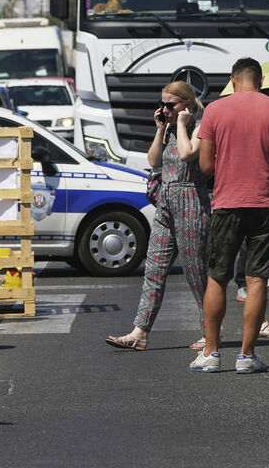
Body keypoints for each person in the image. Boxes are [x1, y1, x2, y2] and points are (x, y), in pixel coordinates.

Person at [191, 57, 269, 374]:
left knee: (218, 276)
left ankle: (211, 353)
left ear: (232, 80)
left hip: (227, 202)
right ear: (262, 81)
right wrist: (267, 165)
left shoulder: (213, 110)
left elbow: (206, 166)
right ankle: (247, 356)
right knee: (257, 280)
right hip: (267, 203)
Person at [106, 81, 210, 352]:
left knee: (196, 273)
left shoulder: (200, 126)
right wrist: (161, 129)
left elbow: (188, 155)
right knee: (154, 269)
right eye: (162, 104)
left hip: (190, 201)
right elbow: (154, 161)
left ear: (186, 104)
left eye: (170, 105)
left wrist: (183, 125)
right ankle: (140, 331)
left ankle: (210, 331)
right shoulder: (169, 128)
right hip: (165, 202)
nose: (164, 109)